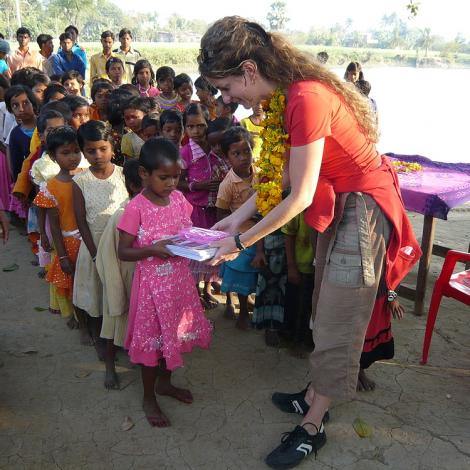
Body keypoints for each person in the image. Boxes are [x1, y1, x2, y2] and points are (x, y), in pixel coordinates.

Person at [198, 16, 421, 469]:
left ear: (248, 71)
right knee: (324, 303)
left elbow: (298, 196)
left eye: (224, 87)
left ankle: (313, 425)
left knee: (340, 316)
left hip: (363, 207)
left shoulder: (307, 96)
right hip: (339, 201)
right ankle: (313, 394)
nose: (227, 101)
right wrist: (235, 219)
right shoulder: (285, 96)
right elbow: (281, 179)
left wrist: (240, 240)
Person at [117, 137, 212, 427]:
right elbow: (123, 251)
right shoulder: (136, 208)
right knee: (151, 346)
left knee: (172, 335)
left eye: (176, 177)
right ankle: (149, 396)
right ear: (144, 174)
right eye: (164, 177)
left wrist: (205, 244)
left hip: (180, 283)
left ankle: (165, 383)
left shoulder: (180, 200)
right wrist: (152, 250)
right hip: (151, 290)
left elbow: (186, 232)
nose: (172, 183)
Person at [72, 121, 128, 349]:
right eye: (90, 150)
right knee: (96, 293)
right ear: (83, 152)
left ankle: (120, 338)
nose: (97, 155)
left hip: (119, 246)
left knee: (117, 293)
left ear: (112, 147)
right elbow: (81, 220)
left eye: (102, 148)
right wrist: (95, 254)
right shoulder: (80, 181)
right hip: (93, 245)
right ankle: (100, 340)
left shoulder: (124, 175)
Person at [97, 158, 143, 390]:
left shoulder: (158, 211)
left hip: (145, 281)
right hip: (122, 280)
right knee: (114, 324)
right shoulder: (122, 215)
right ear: (135, 186)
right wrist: (116, 292)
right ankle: (109, 367)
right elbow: (107, 258)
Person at [33, 126, 83, 322]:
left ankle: (84, 318)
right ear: (54, 157)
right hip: (66, 241)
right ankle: (72, 317)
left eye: (76, 151)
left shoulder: (86, 177)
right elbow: (52, 223)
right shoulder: (51, 187)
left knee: (84, 281)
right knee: (68, 279)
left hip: (87, 239)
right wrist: (59, 252)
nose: (72, 157)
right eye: (65, 153)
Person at [179, 103, 221, 308]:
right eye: (190, 127)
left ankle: (206, 289)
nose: (195, 131)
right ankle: (195, 293)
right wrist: (197, 185)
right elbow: (176, 180)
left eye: (200, 126)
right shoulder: (186, 152)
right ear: (185, 128)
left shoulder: (216, 148)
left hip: (215, 210)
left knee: (211, 253)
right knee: (196, 254)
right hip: (195, 210)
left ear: (208, 124)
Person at [216, 127, 258, 329]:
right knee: (238, 274)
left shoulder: (261, 174)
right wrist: (231, 234)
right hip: (239, 237)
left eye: (247, 151)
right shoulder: (228, 184)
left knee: (250, 273)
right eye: (236, 154)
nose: (243, 157)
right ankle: (240, 309)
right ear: (227, 158)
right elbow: (221, 213)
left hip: (258, 233)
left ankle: (243, 300)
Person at [5, 85, 38, 180]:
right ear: (11, 110)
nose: (21, 109)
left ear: (33, 103)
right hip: (29, 183)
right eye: (15, 105)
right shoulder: (15, 134)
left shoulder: (45, 125)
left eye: (25, 103)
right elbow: (16, 165)